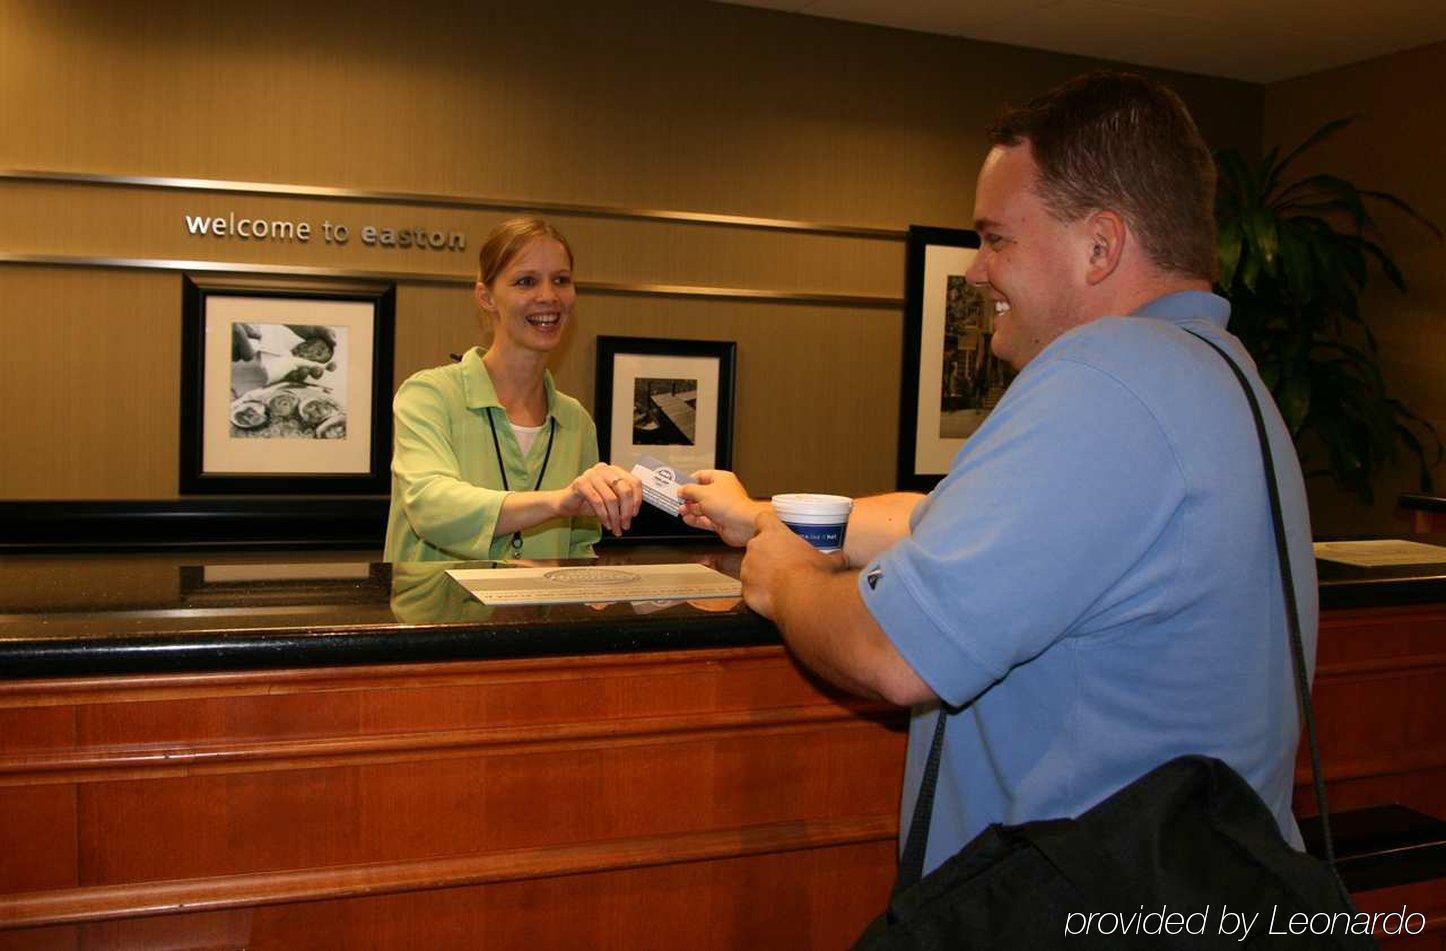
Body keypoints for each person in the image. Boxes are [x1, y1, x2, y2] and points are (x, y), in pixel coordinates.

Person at [679, 71, 1317, 877]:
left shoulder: (1110, 375)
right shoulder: (1218, 377)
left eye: (997, 238)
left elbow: (891, 651)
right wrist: (770, 513)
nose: (978, 271)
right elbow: (958, 524)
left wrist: (789, 578)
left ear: (1100, 246)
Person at [385, 217, 642, 562]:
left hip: (540, 616)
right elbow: (431, 506)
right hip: (440, 613)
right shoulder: (429, 396)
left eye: (561, 280)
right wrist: (556, 502)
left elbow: (579, 548)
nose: (548, 296)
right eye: (526, 281)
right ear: (486, 297)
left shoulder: (575, 421)